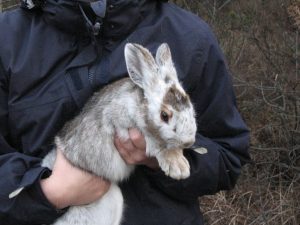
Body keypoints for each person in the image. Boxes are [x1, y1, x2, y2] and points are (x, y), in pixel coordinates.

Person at [0, 0, 251, 224]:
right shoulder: (8, 38)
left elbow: (228, 156)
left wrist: (160, 154)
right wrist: (48, 192)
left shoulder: (190, 38)